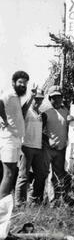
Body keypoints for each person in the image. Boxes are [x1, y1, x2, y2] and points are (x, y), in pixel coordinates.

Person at [15, 87, 47, 205]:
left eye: (40, 99)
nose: (38, 101)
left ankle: (34, 201)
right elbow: (22, 110)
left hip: (38, 148)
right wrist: (31, 96)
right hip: (26, 147)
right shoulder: (27, 111)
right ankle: (20, 203)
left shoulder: (40, 114)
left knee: (40, 175)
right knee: (23, 176)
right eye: (36, 99)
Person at [0, 71, 29, 199]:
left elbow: (22, 111)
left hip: (16, 139)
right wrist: (4, 120)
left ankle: (4, 204)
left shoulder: (16, 97)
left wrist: (32, 97)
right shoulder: (9, 94)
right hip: (9, 139)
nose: (23, 85)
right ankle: (1, 205)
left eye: (25, 83)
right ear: (13, 83)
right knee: (8, 174)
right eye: (20, 82)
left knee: (12, 172)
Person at [43, 85, 73, 203]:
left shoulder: (66, 111)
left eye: (59, 97)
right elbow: (41, 130)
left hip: (61, 149)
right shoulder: (46, 112)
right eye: (54, 97)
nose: (56, 100)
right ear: (50, 99)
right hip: (48, 149)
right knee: (48, 174)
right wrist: (48, 139)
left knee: (59, 175)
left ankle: (58, 199)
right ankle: (49, 200)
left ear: (62, 98)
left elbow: (71, 128)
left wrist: (72, 120)